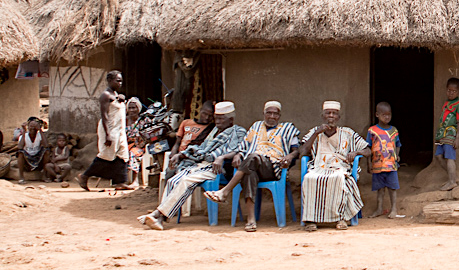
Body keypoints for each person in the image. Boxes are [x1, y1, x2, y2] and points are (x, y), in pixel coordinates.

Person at [137, 102, 246, 230]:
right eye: (216, 118)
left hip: (218, 168)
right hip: (201, 164)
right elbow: (201, 148)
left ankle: (158, 216)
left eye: (221, 118)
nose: (217, 121)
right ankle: (158, 215)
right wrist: (182, 155)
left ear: (231, 119)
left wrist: (222, 157)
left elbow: (240, 150)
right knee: (173, 180)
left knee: (185, 180)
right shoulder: (214, 132)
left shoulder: (238, 131)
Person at [203, 101, 301, 231]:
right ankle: (251, 220)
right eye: (268, 113)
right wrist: (238, 154)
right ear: (263, 114)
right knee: (250, 173)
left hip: (272, 166)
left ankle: (225, 191)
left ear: (279, 115)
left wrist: (289, 156)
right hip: (251, 165)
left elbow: (296, 150)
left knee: (252, 158)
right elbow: (244, 146)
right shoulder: (256, 126)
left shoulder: (288, 128)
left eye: (275, 114)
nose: (271, 116)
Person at [298, 101, 370, 231]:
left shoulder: (347, 133)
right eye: (328, 113)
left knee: (338, 178)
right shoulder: (315, 132)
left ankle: (340, 218)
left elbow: (368, 150)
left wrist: (356, 152)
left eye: (334, 113)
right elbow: (303, 152)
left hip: (340, 167)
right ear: (323, 116)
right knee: (309, 178)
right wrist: (316, 133)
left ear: (338, 117)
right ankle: (311, 220)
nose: (331, 116)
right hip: (319, 167)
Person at [78, 70, 133, 191]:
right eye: (117, 80)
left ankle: (120, 181)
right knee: (106, 155)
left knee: (122, 154)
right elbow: (105, 116)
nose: (120, 83)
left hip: (120, 130)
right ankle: (85, 175)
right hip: (110, 129)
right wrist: (108, 135)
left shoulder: (116, 95)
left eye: (121, 81)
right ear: (109, 81)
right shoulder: (105, 95)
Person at [366, 102, 401, 218]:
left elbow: (398, 144)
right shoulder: (372, 131)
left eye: (389, 114)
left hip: (391, 165)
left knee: (392, 188)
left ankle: (394, 209)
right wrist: (369, 162)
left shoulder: (394, 131)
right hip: (377, 165)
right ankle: (379, 208)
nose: (387, 117)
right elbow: (368, 147)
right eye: (384, 114)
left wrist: (397, 156)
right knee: (380, 189)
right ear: (377, 114)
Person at [435, 78, 459, 191]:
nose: (451, 93)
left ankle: (452, 181)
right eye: (449, 90)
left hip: (450, 135)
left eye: (454, 91)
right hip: (441, 135)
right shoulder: (446, 103)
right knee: (438, 156)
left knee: (449, 157)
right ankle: (453, 176)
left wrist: (458, 138)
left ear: (458, 92)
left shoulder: (458, 105)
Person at [16, 117, 48, 183]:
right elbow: (20, 147)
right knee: (20, 153)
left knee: (46, 151)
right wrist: (24, 131)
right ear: (28, 127)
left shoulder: (39, 135)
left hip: (37, 158)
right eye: (31, 126)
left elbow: (46, 145)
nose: (33, 128)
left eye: (35, 126)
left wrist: (40, 130)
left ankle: (44, 175)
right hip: (27, 158)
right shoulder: (24, 135)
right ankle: (21, 177)